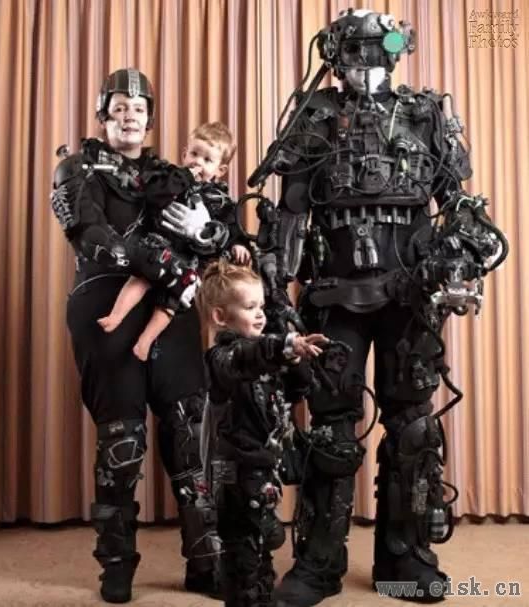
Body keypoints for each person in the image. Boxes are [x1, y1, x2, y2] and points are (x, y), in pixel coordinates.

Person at [247, 8, 507, 606]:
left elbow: (457, 204)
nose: (367, 63)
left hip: (408, 295)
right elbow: (289, 212)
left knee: (413, 425)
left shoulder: (425, 113)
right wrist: (275, 288)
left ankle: (404, 558)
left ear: (396, 53)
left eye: (378, 50)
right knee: (331, 432)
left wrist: (462, 253)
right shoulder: (315, 115)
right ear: (335, 57)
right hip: (333, 296)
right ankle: (318, 563)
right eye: (355, 52)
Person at [50, 68, 226, 603]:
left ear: (150, 120)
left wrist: (208, 233)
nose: (130, 116)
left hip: (170, 309)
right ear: (103, 115)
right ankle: (117, 564)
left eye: (140, 109)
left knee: (190, 435)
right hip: (106, 304)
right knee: (122, 442)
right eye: (120, 108)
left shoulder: (169, 173)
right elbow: (92, 236)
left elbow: (214, 232)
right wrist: (159, 258)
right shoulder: (76, 168)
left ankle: (206, 562)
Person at [197, 260, 327, 607]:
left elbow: (298, 390)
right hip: (235, 473)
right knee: (243, 556)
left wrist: (297, 360)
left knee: (261, 550)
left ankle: (262, 596)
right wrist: (283, 347)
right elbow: (247, 356)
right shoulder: (222, 358)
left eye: (261, 306)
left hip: (263, 467)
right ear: (220, 316)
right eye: (249, 307)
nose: (259, 314)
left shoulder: (266, 357)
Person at [97, 122, 251, 361]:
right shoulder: (172, 178)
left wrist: (239, 244)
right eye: (194, 154)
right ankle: (115, 316)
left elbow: (232, 229)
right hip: (160, 244)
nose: (198, 162)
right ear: (184, 154)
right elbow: (153, 196)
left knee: (173, 301)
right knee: (142, 277)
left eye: (207, 160)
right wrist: (183, 178)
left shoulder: (221, 201)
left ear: (220, 170)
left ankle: (145, 342)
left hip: (188, 260)